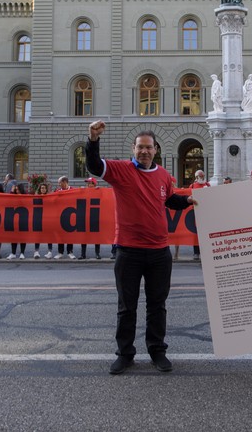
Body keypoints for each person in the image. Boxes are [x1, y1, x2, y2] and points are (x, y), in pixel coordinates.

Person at [86, 120, 197, 375]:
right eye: (140, 147)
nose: (144, 151)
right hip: (128, 250)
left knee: (157, 305)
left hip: (159, 251)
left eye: (148, 147)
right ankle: (125, 354)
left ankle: (157, 351)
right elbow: (94, 165)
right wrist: (93, 139)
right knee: (127, 306)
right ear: (133, 150)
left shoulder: (162, 175)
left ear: (155, 149)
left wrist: (188, 200)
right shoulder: (121, 170)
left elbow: (169, 200)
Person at [53, 176, 76, 259]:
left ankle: (70, 252)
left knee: (70, 234)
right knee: (60, 234)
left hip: (71, 216)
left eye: (60, 182)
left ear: (65, 182)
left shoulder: (73, 190)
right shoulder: (58, 191)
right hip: (60, 216)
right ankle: (60, 252)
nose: (59, 184)